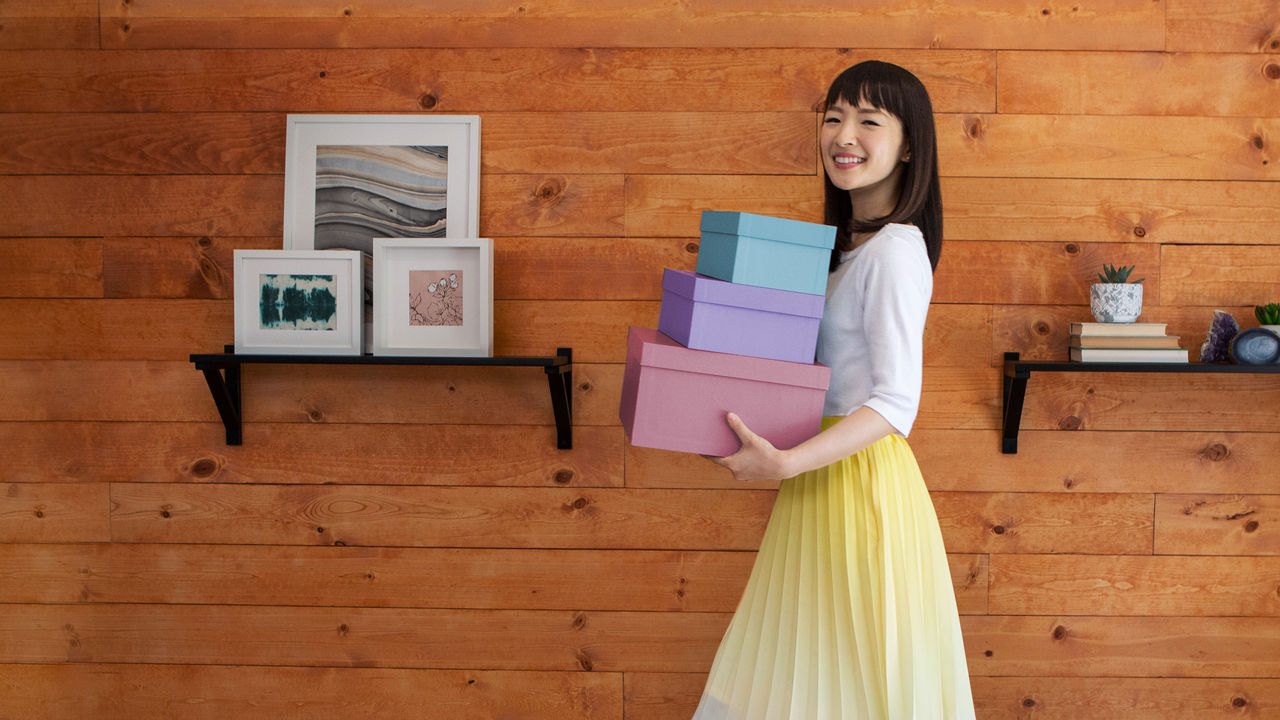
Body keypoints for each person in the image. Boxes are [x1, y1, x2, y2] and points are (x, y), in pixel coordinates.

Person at [691, 61, 976, 719]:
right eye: (834, 117)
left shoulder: (896, 250)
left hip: (859, 486)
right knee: (814, 675)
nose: (845, 135)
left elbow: (896, 401)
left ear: (909, 146)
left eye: (869, 121)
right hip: (818, 484)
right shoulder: (844, 251)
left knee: (850, 681)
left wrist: (785, 462)